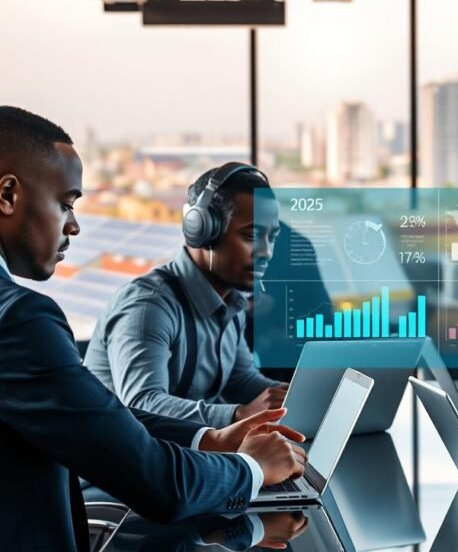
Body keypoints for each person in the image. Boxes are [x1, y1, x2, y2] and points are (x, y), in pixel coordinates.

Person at [0, 105, 307, 551]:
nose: (74, 224)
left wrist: (210, 437)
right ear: (7, 194)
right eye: (66, 203)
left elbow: (99, 413)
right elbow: (160, 483)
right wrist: (252, 468)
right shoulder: (22, 321)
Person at [86, 163, 287, 428]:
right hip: (122, 464)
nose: (267, 252)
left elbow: (239, 380)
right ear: (203, 231)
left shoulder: (232, 301)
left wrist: (293, 397)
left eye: (271, 238)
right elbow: (141, 403)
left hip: (185, 455)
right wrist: (239, 414)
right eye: (251, 236)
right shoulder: (148, 306)